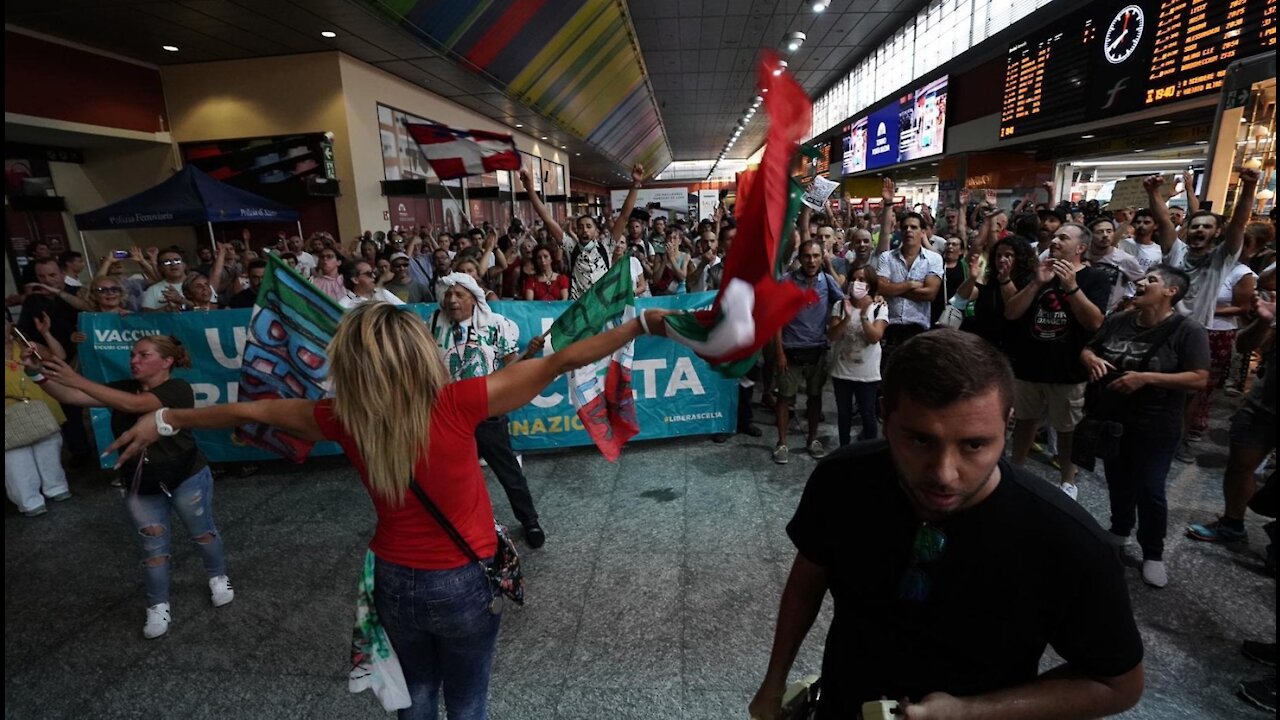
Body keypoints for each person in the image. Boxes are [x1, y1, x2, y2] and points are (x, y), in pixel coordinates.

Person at [104, 302, 677, 719]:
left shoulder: (340, 417)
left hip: (391, 577)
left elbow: (254, 410)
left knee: (413, 694)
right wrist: (640, 324)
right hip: (463, 579)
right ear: (418, 352)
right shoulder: (458, 403)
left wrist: (167, 419)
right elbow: (562, 361)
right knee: (469, 700)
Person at [749, 330, 1144, 720]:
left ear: (1008, 423)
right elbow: (807, 580)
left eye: (974, 444)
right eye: (920, 441)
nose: (945, 475)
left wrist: (970, 712)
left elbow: (1119, 684)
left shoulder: (1066, 540)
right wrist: (773, 683)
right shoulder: (843, 479)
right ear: (885, 415)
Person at [26, 336, 233, 639]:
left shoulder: (178, 389)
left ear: (167, 361)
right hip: (141, 482)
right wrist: (36, 374)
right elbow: (71, 397)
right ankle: (158, 604)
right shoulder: (124, 386)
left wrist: (75, 378)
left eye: (143, 354)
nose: (134, 360)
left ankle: (218, 576)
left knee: (202, 532)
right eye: (132, 354)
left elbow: (135, 405)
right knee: (152, 547)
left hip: (186, 475)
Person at [1080, 265, 1209, 588]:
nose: (1141, 283)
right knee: (1118, 480)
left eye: (1152, 280)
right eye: (1143, 278)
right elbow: (1089, 348)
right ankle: (1120, 530)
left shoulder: (1187, 330)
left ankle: (1153, 552)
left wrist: (1146, 378)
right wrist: (1091, 359)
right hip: (1113, 419)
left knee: (1150, 490)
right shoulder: (1120, 320)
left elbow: (1199, 378)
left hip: (1156, 425)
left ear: (1171, 292)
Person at [430, 272, 545, 547]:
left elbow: (510, 367)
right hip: (450, 414)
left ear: (474, 298)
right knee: (449, 476)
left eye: (459, 294)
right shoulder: (434, 322)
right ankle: (452, 528)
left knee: (508, 472)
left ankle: (530, 522)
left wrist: (528, 354)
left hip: (487, 411)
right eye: (448, 294)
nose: (452, 300)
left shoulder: (494, 325)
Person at [1004, 222, 1109, 499]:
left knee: (1066, 428)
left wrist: (1071, 287)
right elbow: (1012, 313)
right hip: (1029, 366)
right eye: (1054, 237)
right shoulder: (1037, 274)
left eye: (1063, 237)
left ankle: (1068, 481)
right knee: (1025, 422)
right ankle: (1015, 472)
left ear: (1081, 247)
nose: (1055, 241)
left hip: (1068, 369)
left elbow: (1095, 322)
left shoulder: (1095, 278)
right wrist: (1037, 282)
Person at [1186, 292, 1276, 544]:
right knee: (1239, 466)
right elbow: (1245, 345)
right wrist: (1265, 320)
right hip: (1263, 405)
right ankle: (1232, 524)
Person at [774, 240, 844, 464]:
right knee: (785, 397)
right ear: (800, 258)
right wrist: (779, 352)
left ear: (821, 257)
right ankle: (782, 442)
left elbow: (844, 303)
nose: (811, 261)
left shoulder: (827, 281)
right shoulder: (786, 282)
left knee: (815, 398)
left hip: (818, 349)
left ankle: (813, 438)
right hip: (790, 348)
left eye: (815, 256)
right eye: (807, 256)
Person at [5, 316, 72, 517]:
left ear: (10, 325)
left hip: (40, 406)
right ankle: (29, 500)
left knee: (49, 448)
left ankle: (57, 487)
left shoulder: (25, 344)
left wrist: (44, 335)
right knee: (14, 457)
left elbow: (58, 357)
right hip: (8, 412)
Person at [874, 211, 943, 370]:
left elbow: (930, 293)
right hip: (889, 327)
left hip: (918, 328)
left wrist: (894, 288)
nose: (908, 231)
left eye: (914, 227)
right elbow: (881, 287)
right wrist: (910, 284)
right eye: (905, 227)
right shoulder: (887, 257)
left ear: (923, 232)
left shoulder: (934, 259)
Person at [827, 267, 888, 445]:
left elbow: (874, 337)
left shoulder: (878, 308)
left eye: (862, 279)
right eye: (854, 279)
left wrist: (863, 316)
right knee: (843, 415)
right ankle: (844, 450)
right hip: (842, 372)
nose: (857, 283)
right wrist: (847, 318)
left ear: (870, 284)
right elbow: (832, 335)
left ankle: (868, 454)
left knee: (868, 414)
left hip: (867, 374)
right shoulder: (840, 306)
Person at [1086, 217, 1144, 314]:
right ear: (1091, 235)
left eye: (1109, 231)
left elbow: (1143, 285)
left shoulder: (1125, 259)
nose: (1105, 235)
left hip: (1109, 314)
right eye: (1100, 232)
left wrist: (1130, 305)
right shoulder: (1080, 255)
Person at [338, 260, 404, 309]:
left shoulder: (382, 292)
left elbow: (405, 309)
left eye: (374, 272)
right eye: (369, 274)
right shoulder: (344, 305)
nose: (374, 276)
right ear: (355, 280)